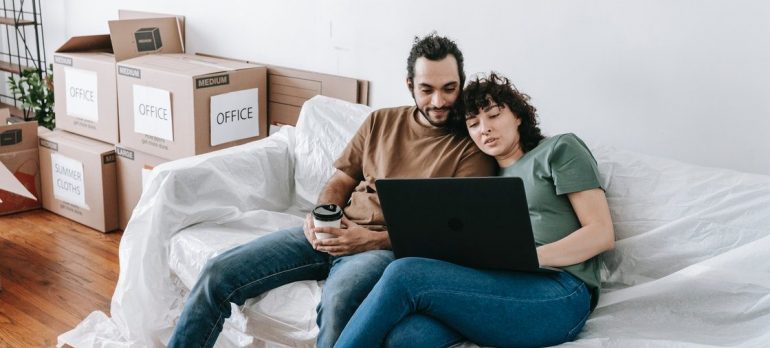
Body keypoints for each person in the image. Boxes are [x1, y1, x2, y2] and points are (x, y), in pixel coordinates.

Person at [167, 34, 496, 348]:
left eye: (449, 88)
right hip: (332, 231)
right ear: (409, 85)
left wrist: (371, 240)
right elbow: (341, 178)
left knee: (338, 303)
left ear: (461, 84)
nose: (438, 101)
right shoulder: (380, 121)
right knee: (218, 273)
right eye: (426, 89)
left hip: (381, 249)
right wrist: (322, 214)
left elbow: (453, 231)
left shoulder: (472, 148)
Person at [334, 72, 616, 348]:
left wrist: (526, 258)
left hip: (560, 291)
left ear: (518, 115)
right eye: (473, 123)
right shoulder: (482, 181)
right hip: (497, 286)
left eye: (494, 115)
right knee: (406, 338)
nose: (485, 128)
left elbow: (601, 233)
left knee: (404, 273)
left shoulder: (559, 149)